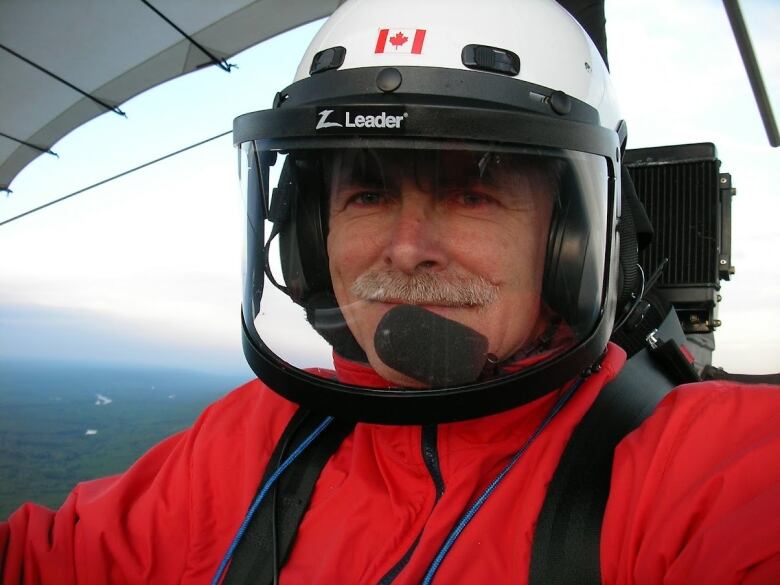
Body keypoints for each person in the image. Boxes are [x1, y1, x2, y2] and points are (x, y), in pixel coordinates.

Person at [3, 0, 780, 583]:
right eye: (366, 194)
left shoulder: (708, 469)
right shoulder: (250, 443)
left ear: (572, 239)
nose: (408, 248)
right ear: (309, 239)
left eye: (474, 191)